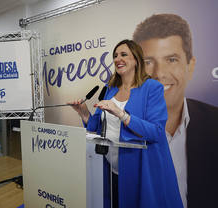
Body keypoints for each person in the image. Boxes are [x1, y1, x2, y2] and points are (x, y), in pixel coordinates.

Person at [68, 39, 183, 208]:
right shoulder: (110, 89)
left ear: (136, 59)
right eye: (115, 56)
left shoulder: (152, 87)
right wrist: (83, 112)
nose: (117, 59)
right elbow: (97, 127)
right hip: (112, 168)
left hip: (142, 169)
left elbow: (156, 131)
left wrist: (122, 114)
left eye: (123, 54)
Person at [133, 13, 218, 208]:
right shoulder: (125, 128)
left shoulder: (215, 123)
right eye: (148, 62)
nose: (159, 74)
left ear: (190, 66)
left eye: (171, 59)